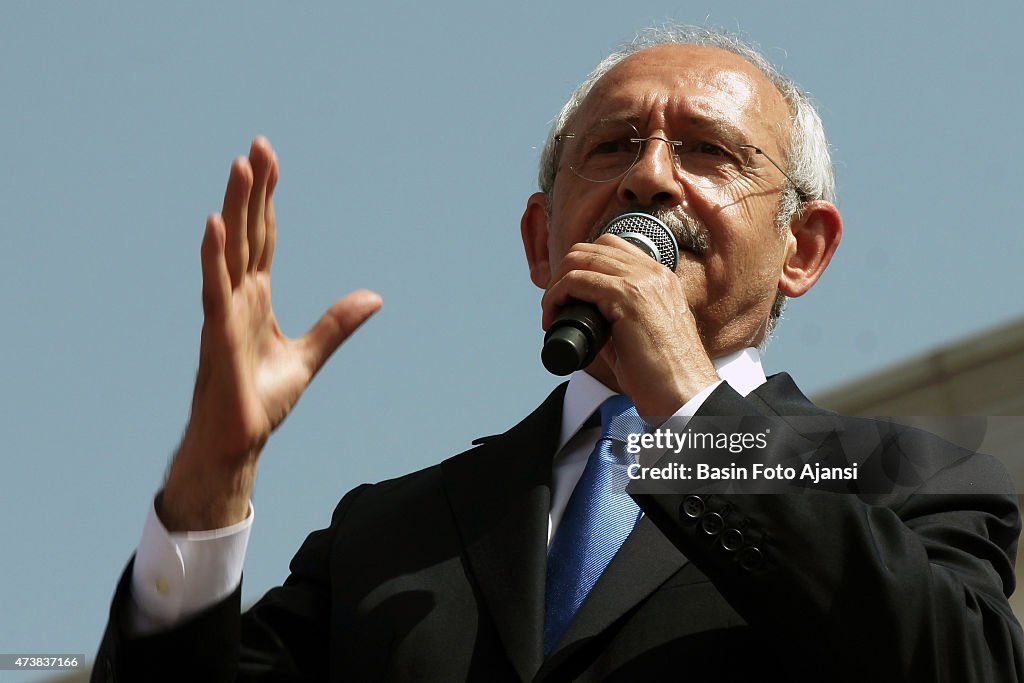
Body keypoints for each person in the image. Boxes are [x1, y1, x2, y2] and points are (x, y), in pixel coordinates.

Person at [92, 24, 1022, 681]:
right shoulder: (389, 535)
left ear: (803, 249)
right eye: (613, 146)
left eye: (706, 152)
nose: (649, 176)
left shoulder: (917, 484)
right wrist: (209, 484)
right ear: (542, 239)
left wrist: (690, 411)